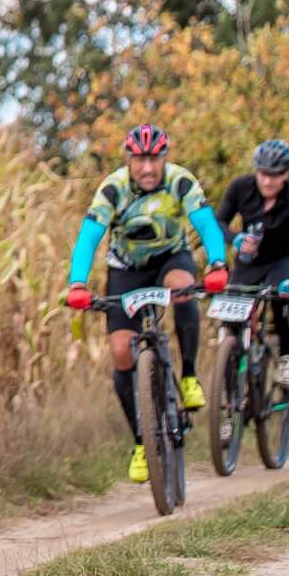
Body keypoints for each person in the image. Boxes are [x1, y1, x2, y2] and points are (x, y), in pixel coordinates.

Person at [65, 123, 227, 482]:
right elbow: (89, 236)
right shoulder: (114, 188)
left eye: (155, 159)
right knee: (121, 351)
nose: (148, 168)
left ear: (165, 158)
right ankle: (141, 442)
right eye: (140, 160)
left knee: (183, 287)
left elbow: (205, 223)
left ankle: (188, 376)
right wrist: (77, 283)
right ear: (129, 160)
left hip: (171, 258)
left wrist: (217, 262)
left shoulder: (180, 181)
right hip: (126, 269)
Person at [215, 138, 289, 386]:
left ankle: (286, 357)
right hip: (250, 262)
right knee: (230, 315)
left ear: (286, 174)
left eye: (275, 175)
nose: (268, 181)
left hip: (282, 261)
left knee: (281, 301)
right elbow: (218, 222)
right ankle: (230, 373)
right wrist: (235, 238)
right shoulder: (240, 187)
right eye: (263, 173)